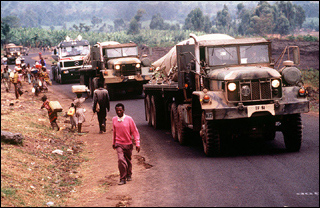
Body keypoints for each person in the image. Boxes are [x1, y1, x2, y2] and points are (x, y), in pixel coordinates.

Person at [112, 103, 141, 185]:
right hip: (119, 143)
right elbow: (114, 132)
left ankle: (129, 174)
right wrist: (113, 142)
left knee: (128, 160)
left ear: (123, 110)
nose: (119, 112)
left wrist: (137, 143)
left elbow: (135, 132)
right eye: (117, 110)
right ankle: (122, 178)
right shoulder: (114, 119)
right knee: (121, 160)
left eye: (120, 110)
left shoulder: (129, 119)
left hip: (128, 144)